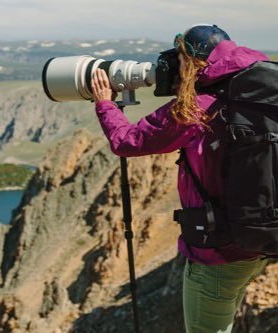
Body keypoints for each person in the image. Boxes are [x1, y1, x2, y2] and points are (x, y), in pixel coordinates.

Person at [91, 24, 269, 333]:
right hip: (260, 240)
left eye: (180, 59)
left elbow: (127, 141)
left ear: (192, 62)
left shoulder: (195, 109)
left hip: (217, 252)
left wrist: (106, 104)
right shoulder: (263, 93)